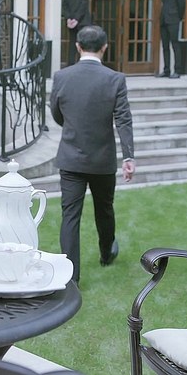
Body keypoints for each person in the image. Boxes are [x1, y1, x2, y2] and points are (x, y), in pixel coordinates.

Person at [50, 25, 135, 283]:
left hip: (71, 157)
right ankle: (107, 253)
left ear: (78, 47)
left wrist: (73, 126)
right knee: (104, 209)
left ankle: (71, 279)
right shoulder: (115, 79)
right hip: (102, 159)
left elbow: (56, 113)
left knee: (70, 216)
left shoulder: (62, 76)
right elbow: (123, 120)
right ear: (104, 48)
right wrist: (129, 157)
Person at [62, 0, 93, 66]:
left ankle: (71, 65)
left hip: (71, 21)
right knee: (84, 45)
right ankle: (82, 66)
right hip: (82, 21)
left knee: (72, 44)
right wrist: (76, 18)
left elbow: (65, 5)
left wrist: (69, 18)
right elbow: (83, 4)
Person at [158, 0, 186, 78]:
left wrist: (178, 17)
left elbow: (181, 4)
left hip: (174, 19)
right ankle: (166, 70)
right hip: (164, 19)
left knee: (175, 44)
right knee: (165, 46)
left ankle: (177, 70)